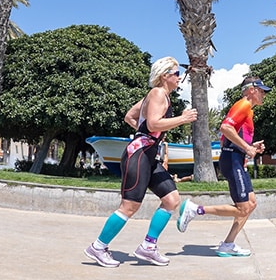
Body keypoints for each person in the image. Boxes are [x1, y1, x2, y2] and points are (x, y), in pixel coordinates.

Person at [84, 57, 198, 268]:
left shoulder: (160, 95)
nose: (179, 77)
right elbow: (154, 122)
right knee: (129, 206)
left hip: (149, 154)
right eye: (175, 73)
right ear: (165, 76)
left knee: (172, 200)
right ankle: (98, 247)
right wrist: (181, 119)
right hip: (139, 155)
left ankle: (148, 247)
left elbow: (130, 116)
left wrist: (146, 133)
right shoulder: (156, 93)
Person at [176, 76, 271, 257]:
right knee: (243, 207)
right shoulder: (243, 105)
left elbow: (230, 135)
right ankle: (195, 209)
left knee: (250, 204)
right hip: (232, 159)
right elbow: (225, 128)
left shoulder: (248, 110)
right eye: (261, 91)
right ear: (251, 90)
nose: (263, 95)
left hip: (235, 158)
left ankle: (228, 244)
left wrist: (251, 146)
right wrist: (246, 147)